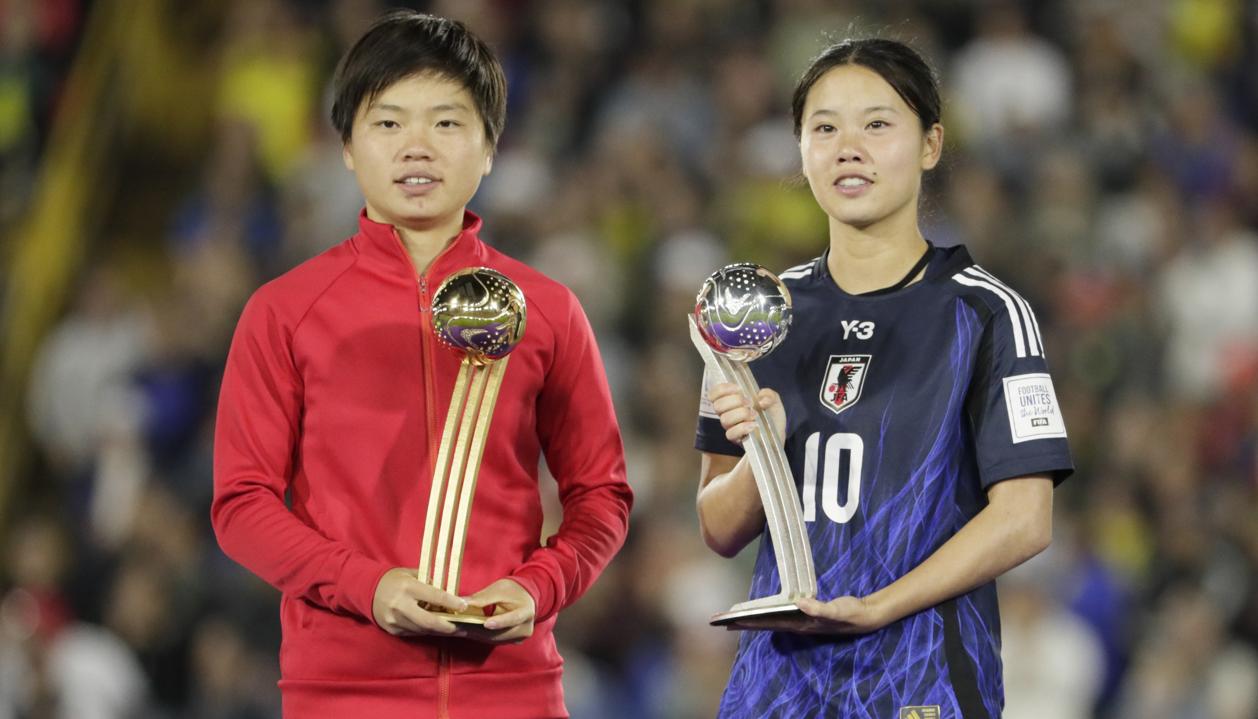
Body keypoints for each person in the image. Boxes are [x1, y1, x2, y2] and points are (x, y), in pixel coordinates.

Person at [211, 11, 633, 718]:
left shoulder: (548, 309)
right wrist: (367, 585)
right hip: (341, 692)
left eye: (447, 122)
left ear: (490, 147)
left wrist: (539, 586)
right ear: (346, 145)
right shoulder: (284, 310)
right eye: (388, 123)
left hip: (514, 688)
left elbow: (602, 494)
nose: (417, 147)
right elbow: (241, 504)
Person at [695, 38, 1073, 718]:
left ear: (931, 144)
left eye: (877, 123)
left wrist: (877, 607)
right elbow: (718, 526)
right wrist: (766, 454)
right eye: (824, 127)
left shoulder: (987, 312)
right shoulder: (755, 314)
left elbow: (1026, 517)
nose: (848, 147)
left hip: (922, 675)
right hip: (779, 685)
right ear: (800, 148)